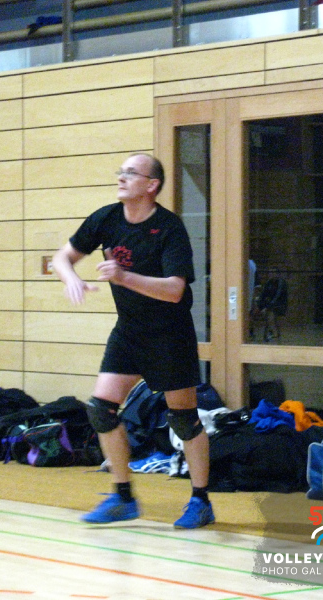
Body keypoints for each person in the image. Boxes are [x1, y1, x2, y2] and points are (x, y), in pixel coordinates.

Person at [52, 153, 214, 529]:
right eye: (120, 172)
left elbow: (174, 289)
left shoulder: (169, 228)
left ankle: (201, 500)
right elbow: (63, 257)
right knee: (100, 410)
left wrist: (123, 276)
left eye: (130, 173)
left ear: (151, 185)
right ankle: (123, 497)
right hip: (129, 331)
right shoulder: (107, 218)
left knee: (184, 420)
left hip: (169, 334)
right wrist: (71, 278)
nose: (121, 178)